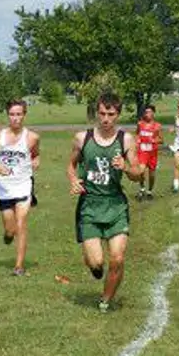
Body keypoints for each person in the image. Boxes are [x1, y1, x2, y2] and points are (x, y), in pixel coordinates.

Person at [67, 91, 144, 312]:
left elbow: (138, 173)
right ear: (97, 113)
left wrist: (125, 167)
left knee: (117, 258)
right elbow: (71, 165)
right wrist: (73, 180)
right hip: (89, 206)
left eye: (111, 114)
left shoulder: (126, 140)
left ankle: (105, 300)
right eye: (102, 114)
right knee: (97, 264)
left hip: (115, 206)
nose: (106, 119)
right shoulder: (82, 138)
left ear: (118, 114)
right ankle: (96, 266)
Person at [0, 99, 41, 274]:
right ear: (8, 115)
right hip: (4, 187)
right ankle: (8, 234)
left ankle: (19, 266)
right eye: (12, 114)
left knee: (21, 223)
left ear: (24, 115)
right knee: (10, 228)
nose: (15, 118)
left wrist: (36, 161)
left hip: (23, 184)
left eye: (19, 114)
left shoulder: (32, 137)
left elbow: (36, 154)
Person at [134, 103, 163, 200]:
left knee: (152, 174)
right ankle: (142, 189)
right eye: (146, 112)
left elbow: (161, 140)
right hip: (142, 152)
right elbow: (137, 134)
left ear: (153, 113)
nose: (147, 114)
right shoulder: (140, 124)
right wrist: (137, 140)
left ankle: (150, 191)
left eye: (149, 112)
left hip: (152, 153)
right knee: (141, 171)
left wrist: (154, 140)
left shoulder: (157, 126)